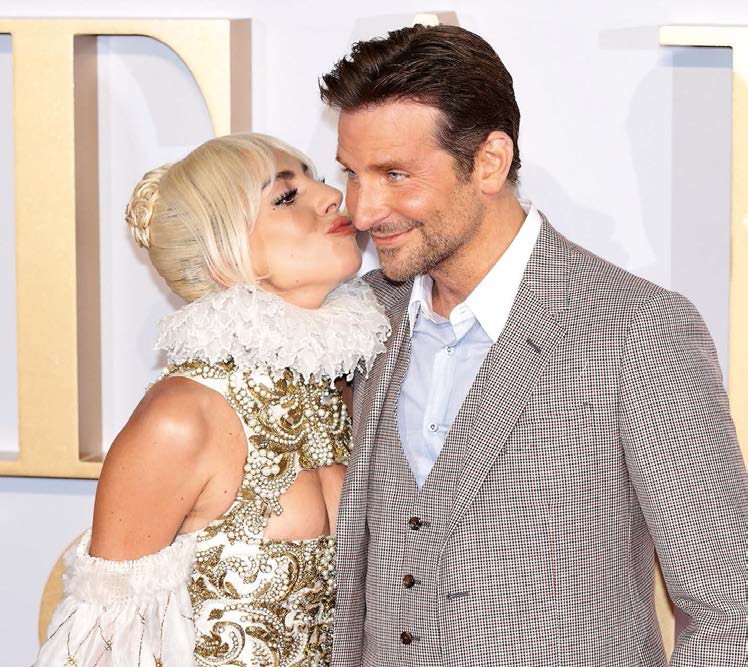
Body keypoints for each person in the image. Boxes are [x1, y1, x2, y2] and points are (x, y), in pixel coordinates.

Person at [320, 24, 748, 666]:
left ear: (489, 162)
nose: (364, 209)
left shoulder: (639, 330)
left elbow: (729, 615)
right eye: (353, 174)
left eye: (395, 174)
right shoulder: (360, 318)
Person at [34, 133, 390, 666]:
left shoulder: (348, 383)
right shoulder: (179, 418)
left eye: (316, 177)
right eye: (285, 197)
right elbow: (100, 648)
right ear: (223, 256)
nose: (331, 196)